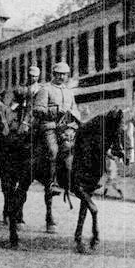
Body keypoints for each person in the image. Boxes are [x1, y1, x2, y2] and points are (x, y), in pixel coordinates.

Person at [33, 62, 81, 196]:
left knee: (75, 150)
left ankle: (74, 181)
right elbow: (37, 110)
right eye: (59, 74)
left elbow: (75, 109)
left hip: (66, 128)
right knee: (53, 151)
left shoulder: (69, 92)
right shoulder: (45, 89)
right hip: (50, 127)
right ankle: (51, 183)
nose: (61, 77)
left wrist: (75, 119)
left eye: (64, 74)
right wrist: (56, 110)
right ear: (53, 74)